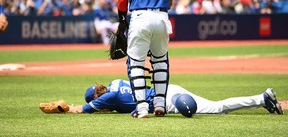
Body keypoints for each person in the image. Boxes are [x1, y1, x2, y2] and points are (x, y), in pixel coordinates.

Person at [113, 0, 177, 118]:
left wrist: (122, 23)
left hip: (140, 17)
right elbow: (170, 1)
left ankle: (141, 108)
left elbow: (122, 2)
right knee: (160, 62)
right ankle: (159, 105)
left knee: (135, 64)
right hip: (162, 17)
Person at [68, 79, 284, 116]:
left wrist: (66, 108)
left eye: (95, 100)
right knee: (217, 106)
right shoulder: (116, 82)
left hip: (168, 102)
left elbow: (83, 110)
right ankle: (261, 99)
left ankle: (261, 98)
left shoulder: (108, 97)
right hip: (168, 89)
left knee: (218, 108)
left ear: (96, 96)